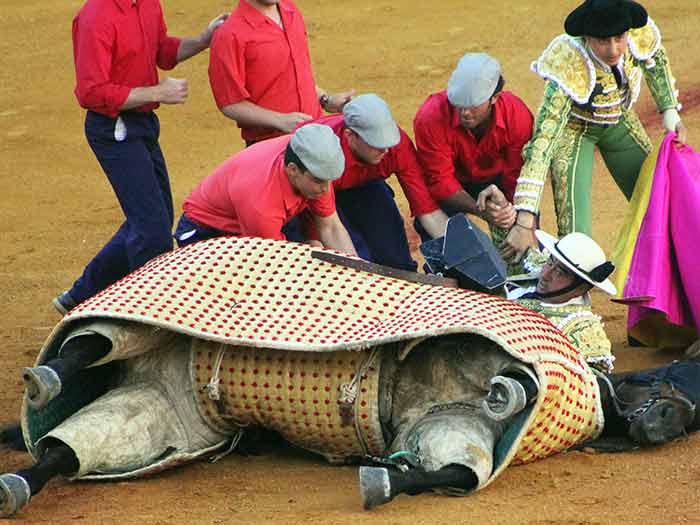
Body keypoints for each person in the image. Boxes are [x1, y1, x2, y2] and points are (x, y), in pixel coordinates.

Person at [53, 0, 228, 315]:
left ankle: (81, 295)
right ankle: (143, 312)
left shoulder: (147, 4)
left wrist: (203, 40)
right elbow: (91, 93)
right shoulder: (96, 17)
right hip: (114, 129)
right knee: (151, 229)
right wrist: (157, 93)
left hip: (142, 123)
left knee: (152, 218)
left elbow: (161, 51)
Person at [502, 0, 688, 262]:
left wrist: (669, 109)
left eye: (619, 38)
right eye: (602, 41)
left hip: (619, 122)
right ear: (586, 37)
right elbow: (543, 143)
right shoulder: (568, 62)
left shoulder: (636, 33)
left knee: (661, 197)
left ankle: (678, 271)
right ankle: (574, 296)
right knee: (577, 238)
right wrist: (525, 219)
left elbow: (655, 60)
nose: (613, 49)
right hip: (574, 132)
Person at [286, 94, 449, 271]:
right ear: (350, 135)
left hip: (364, 184)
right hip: (314, 191)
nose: (385, 150)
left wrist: (459, 252)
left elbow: (428, 210)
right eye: (375, 143)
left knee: (397, 262)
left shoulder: (395, 146)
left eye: (387, 141)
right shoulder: (322, 153)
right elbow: (321, 221)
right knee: (356, 261)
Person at [174, 124, 356, 255]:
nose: (325, 189)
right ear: (293, 170)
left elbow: (331, 227)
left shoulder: (313, 160)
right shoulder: (261, 202)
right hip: (207, 234)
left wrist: (358, 277)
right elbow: (275, 266)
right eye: (318, 181)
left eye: (329, 180)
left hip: (260, 222)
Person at [413, 52, 534, 248]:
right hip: (452, 183)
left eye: (473, 105)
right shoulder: (430, 117)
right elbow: (440, 181)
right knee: (433, 226)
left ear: (495, 97)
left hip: (499, 178)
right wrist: (480, 210)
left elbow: (518, 177)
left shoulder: (517, 115)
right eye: (459, 104)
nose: (464, 112)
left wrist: (515, 218)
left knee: (524, 229)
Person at [208, 0, 353, 145]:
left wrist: (325, 100)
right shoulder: (228, 35)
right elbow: (230, 103)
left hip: (316, 134)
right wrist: (279, 120)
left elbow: (296, 75)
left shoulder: (291, 11)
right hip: (271, 146)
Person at [507, 229, 617, 371]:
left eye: (559, 273)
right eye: (550, 261)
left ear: (580, 288)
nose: (545, 274)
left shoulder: (581, 332)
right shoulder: (535, 266)